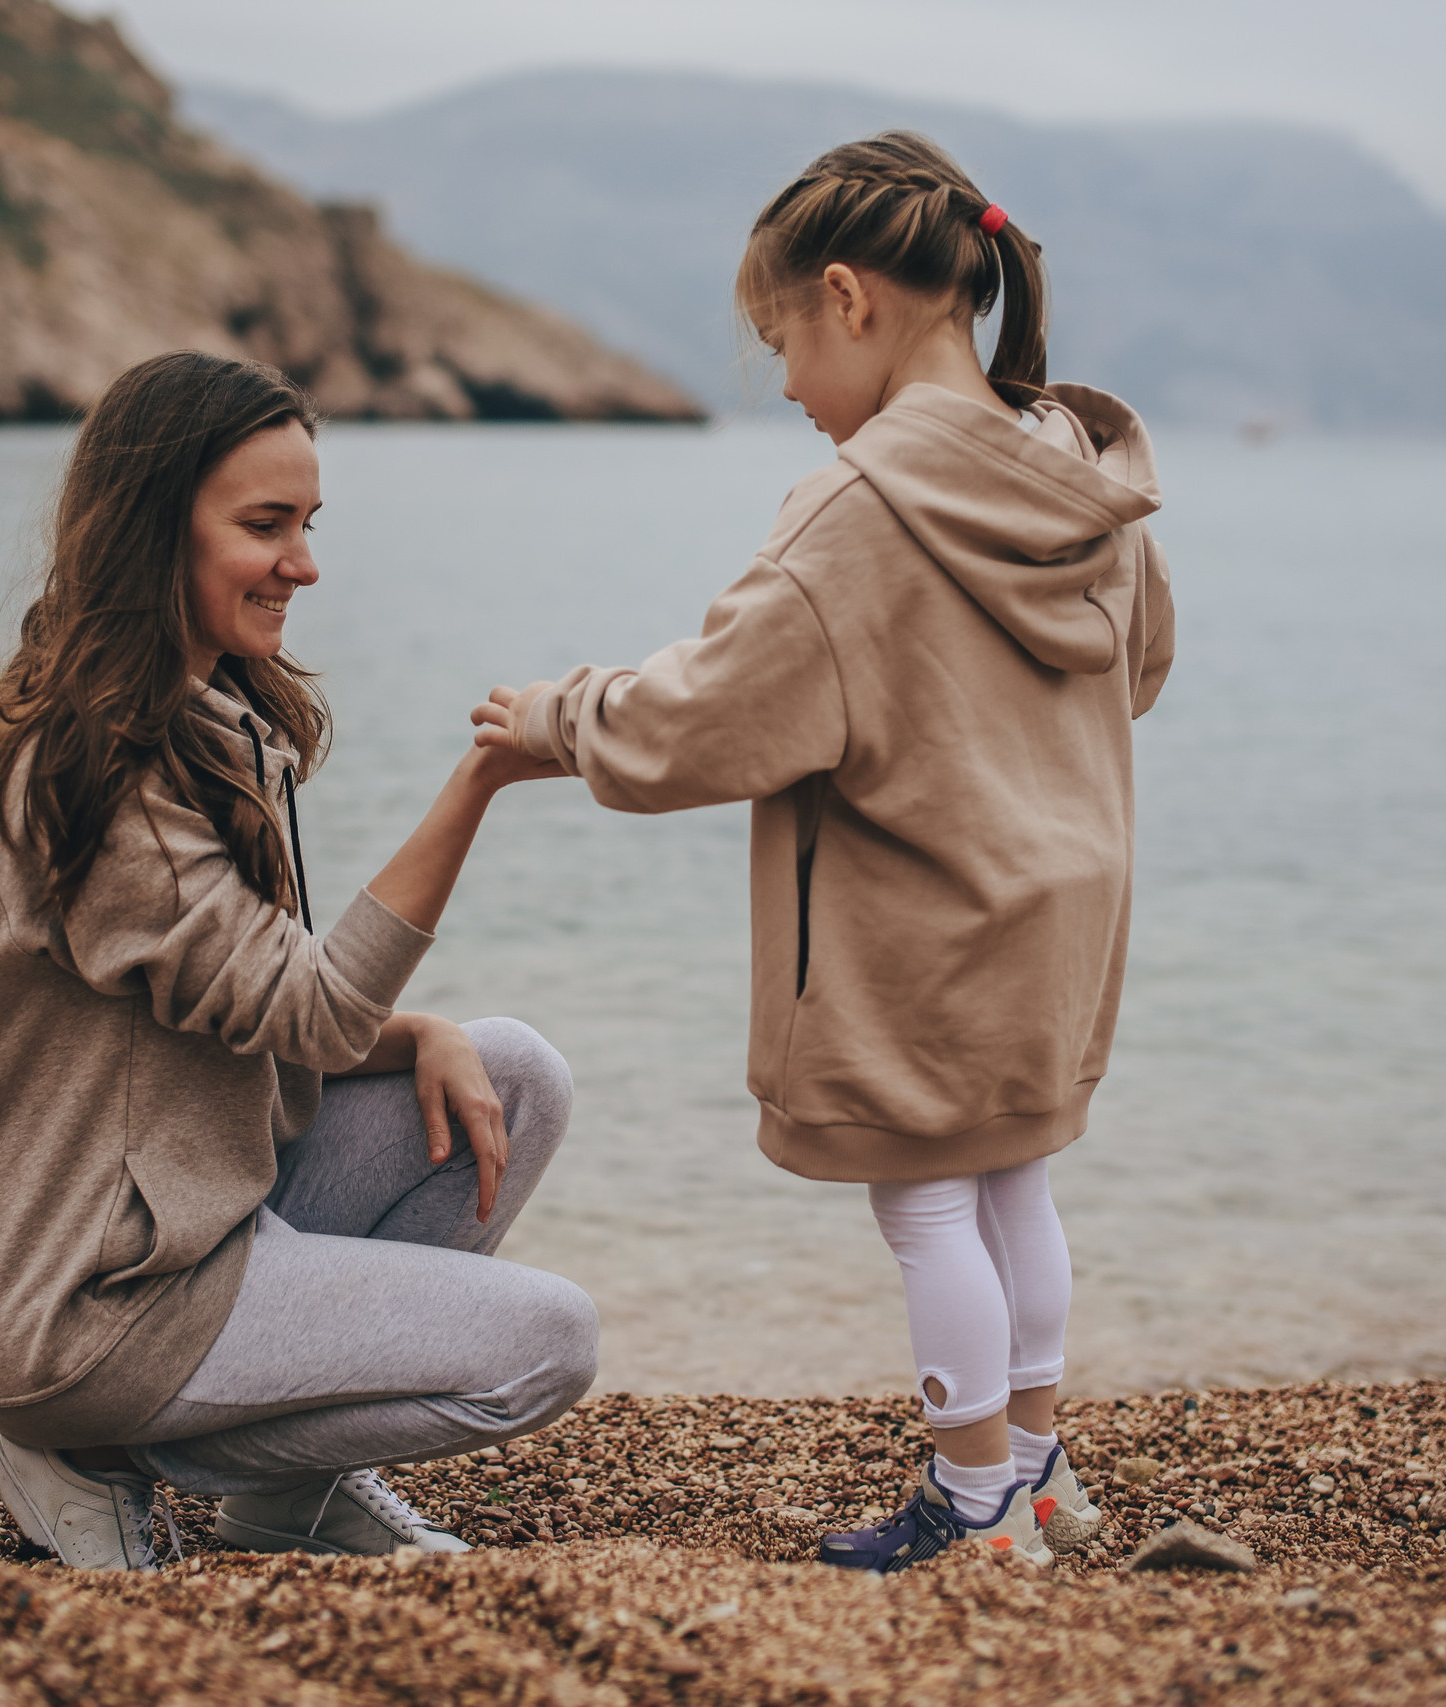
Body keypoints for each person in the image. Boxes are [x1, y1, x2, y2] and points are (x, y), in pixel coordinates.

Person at [472, 132, 1173, 1573]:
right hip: (1066, 906)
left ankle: (973, 1501)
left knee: (925, 1199)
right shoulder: (1079, 472)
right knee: (1016, 1180)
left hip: (923, 912)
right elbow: (1140, 665)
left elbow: (707, 716)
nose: (787, 384)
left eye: (782, 338)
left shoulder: (862, 510)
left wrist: (555, 715)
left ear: (850, 299)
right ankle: (1038, 1477)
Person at [0, 351, 596, 1573]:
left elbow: (266, 1008)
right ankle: (93, 1451)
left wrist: (422, 1033)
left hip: (192, 1222)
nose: (304, 564)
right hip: (85, 1305)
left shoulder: (204, 717)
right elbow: (322, 1016)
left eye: (308, 524)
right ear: (151, 532)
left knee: (510, 1072)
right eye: (264, 526)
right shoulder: (100, 773)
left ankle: (285, 1499)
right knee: (547, 1345)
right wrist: (480, 779)